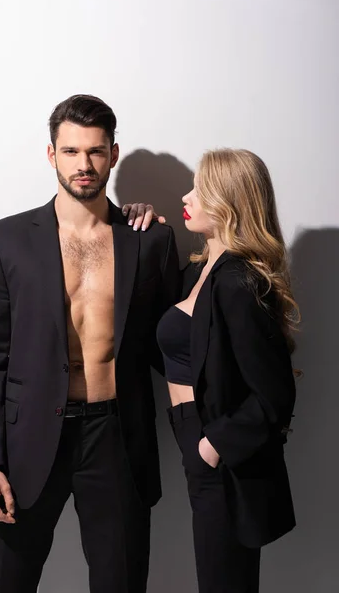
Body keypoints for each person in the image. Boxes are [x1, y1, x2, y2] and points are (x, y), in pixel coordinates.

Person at [0, 94, 180, 593]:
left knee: (120, 582)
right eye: (72, 151)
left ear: (114, 154)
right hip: (26, 440)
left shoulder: (149, 242)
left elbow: (174, 341)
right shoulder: (6, 239)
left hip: (117, 436)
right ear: (51, 154)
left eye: (96, 152)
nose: (84, 165)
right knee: (6, 583)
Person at [127, 148, 299, 592]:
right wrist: (146, 231)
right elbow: (172, 347)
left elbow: (274, 396)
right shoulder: (201, 271)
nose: (186, 194)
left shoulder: (240, 282)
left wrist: (212, 445)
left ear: (227, 202)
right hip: (193, 437)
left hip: (218, 451)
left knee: (224, 581)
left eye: (199, 189)